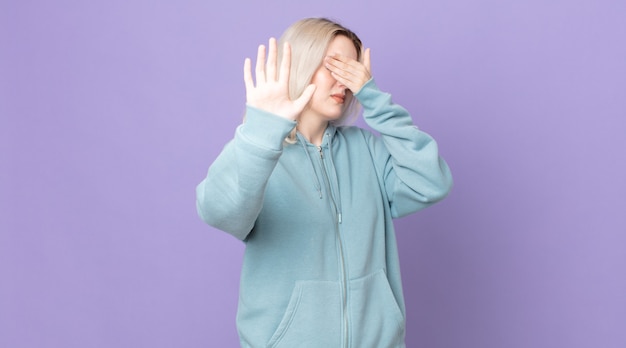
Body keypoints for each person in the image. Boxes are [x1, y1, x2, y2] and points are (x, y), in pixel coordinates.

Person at [196, 17, 453, 348]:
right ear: (301, 65)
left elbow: (432, 182)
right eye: (332, 65)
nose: (343, 81)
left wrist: (374, 98)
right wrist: (262, 130)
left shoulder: (367, 150)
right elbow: (218, 210)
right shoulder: (260, 154)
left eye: (351, 69)